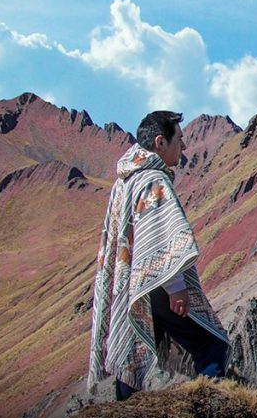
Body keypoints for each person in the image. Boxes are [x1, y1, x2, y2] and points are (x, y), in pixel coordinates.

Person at [88, 110, 229, 400]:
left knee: (137, 349)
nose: (184, 146)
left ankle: (123, 417)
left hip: (131, 284)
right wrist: (176, 288)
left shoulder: (124, 181)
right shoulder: (153, 181)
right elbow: (159, 238)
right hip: (156, 283)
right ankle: (211, 405)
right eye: (179, 139)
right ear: (160, 142)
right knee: (211, 343)